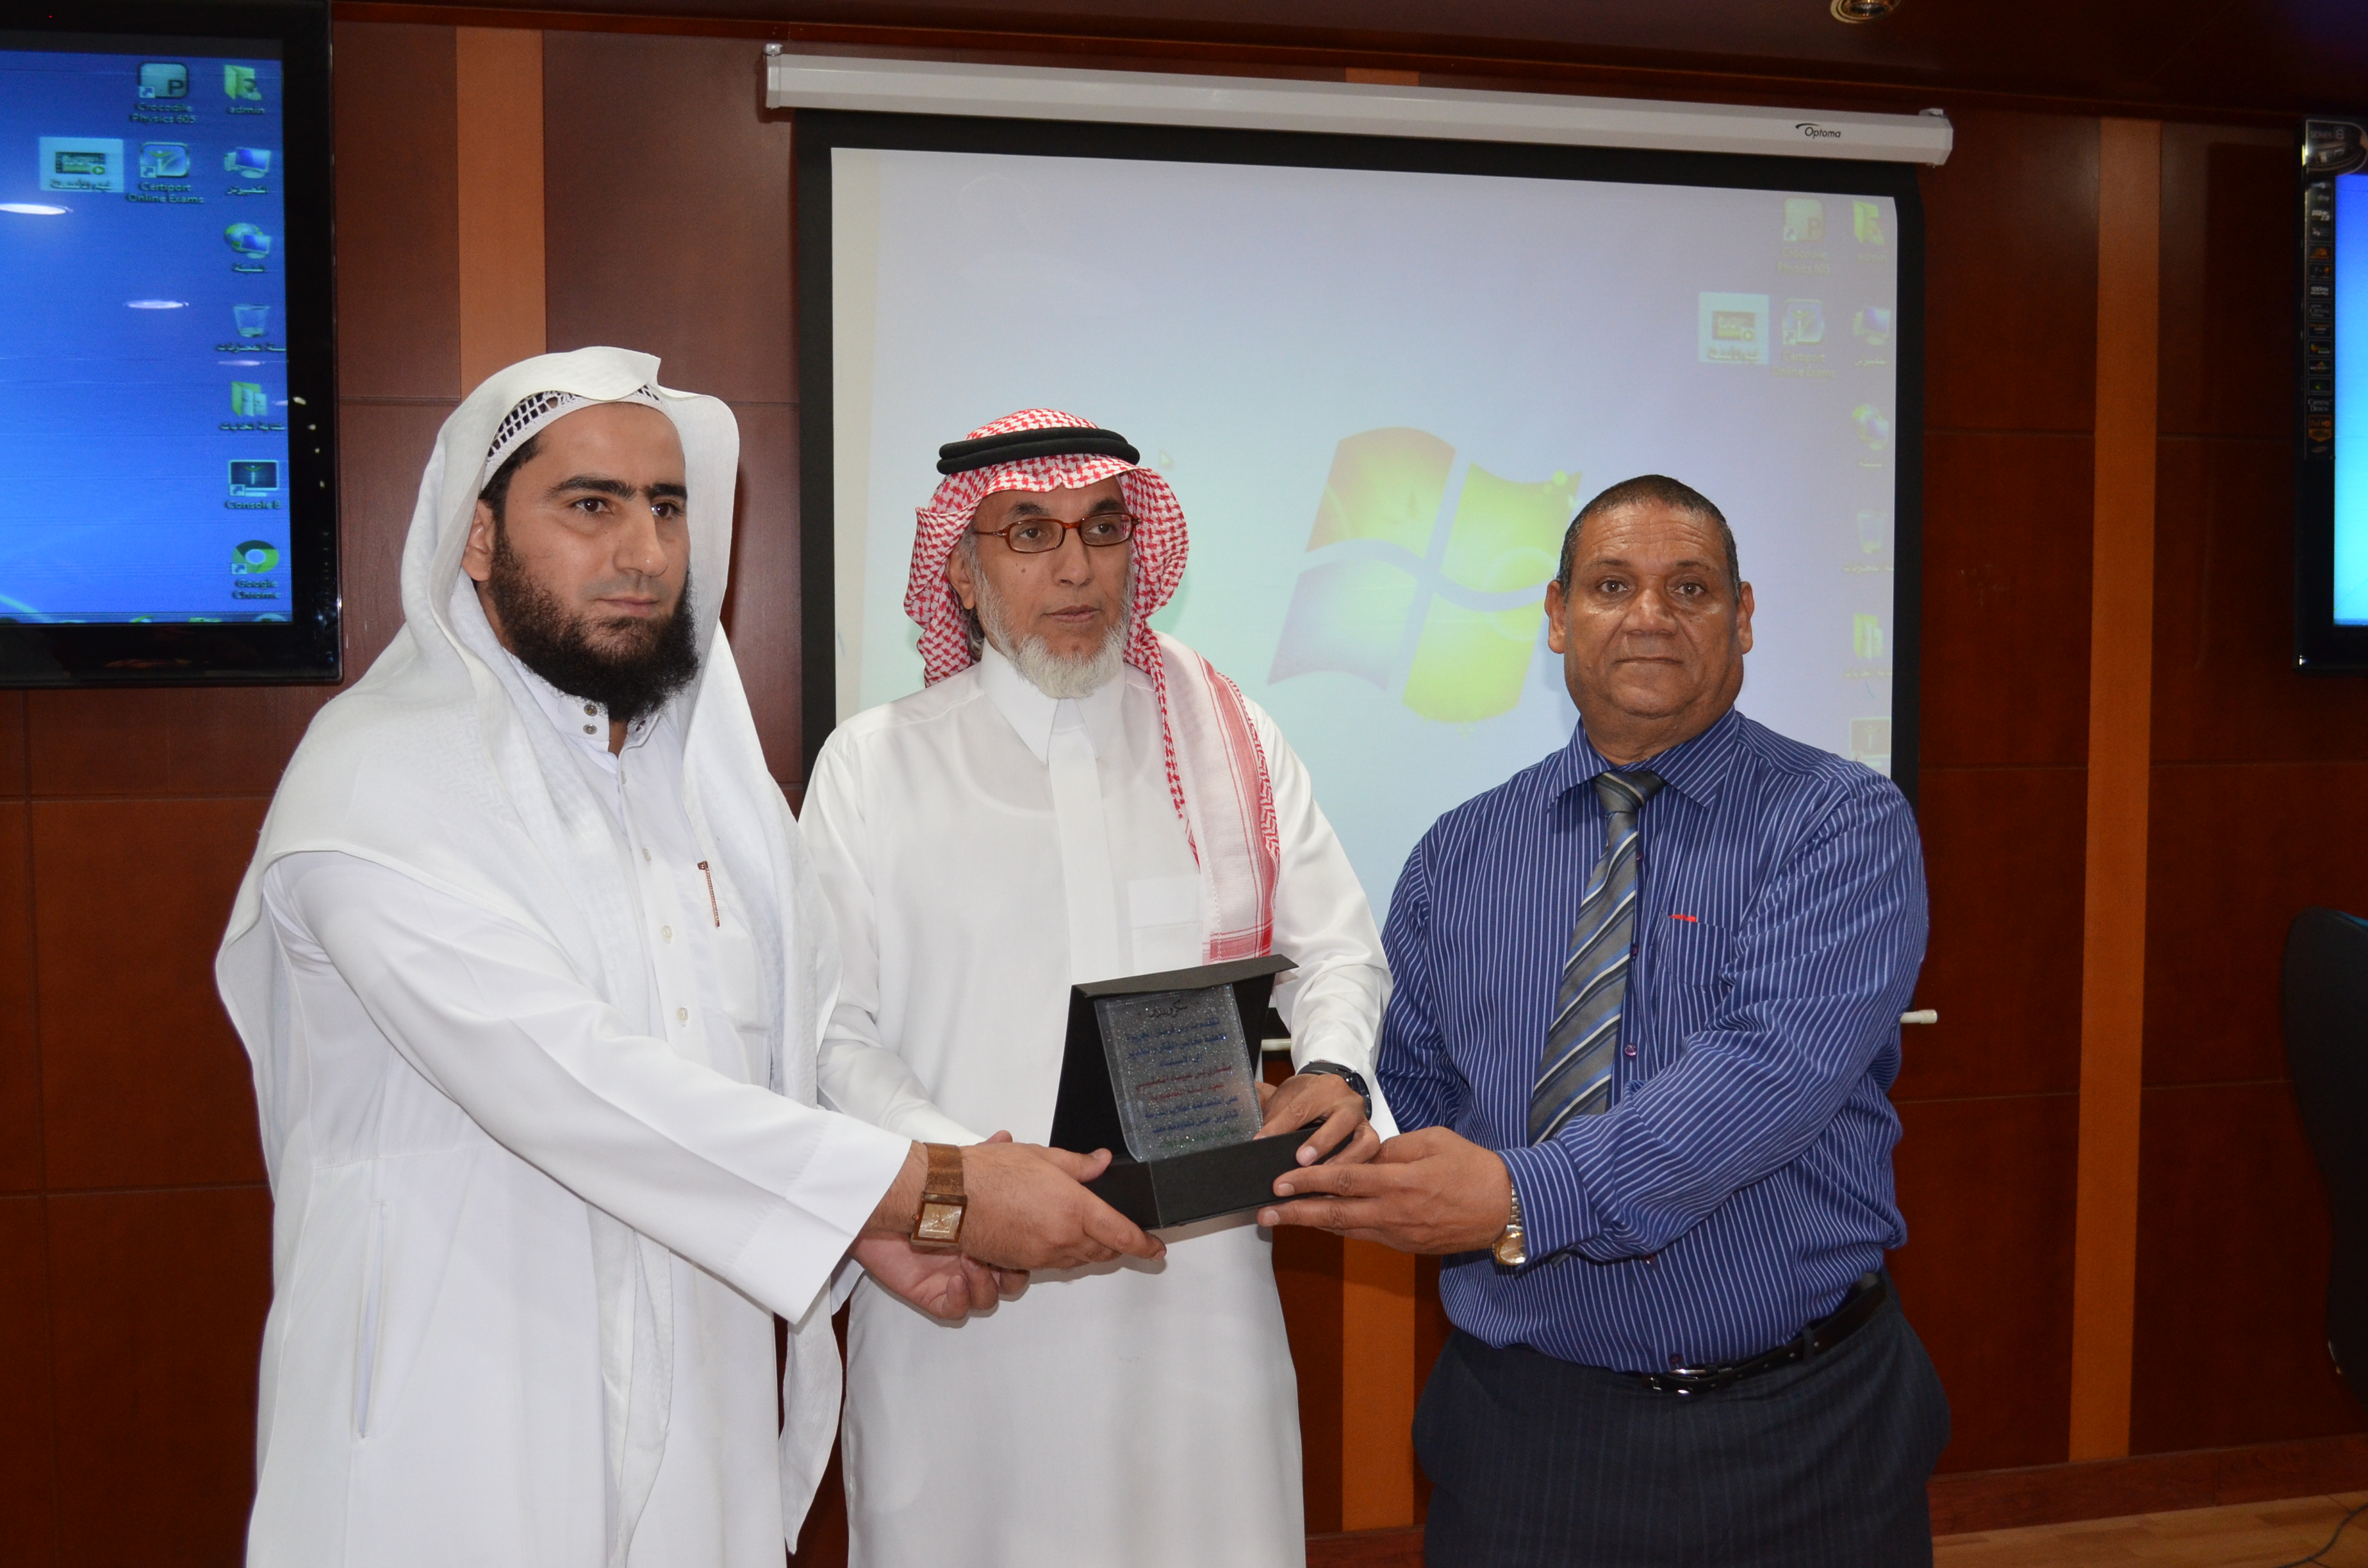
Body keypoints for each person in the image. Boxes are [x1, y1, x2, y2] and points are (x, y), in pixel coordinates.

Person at [215, 351, 1161, 1568]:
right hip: (458, 1419)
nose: (646, 552)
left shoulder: (716, 800)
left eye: (668, 507)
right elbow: (577, 1086)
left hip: (695, 1424)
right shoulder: (376, 789)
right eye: (591, 505)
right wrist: (942, 1191)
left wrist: (867, 1231)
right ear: (478, 537)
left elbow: (787, 1059)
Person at [1263, 474, 1948, 1567]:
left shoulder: (1842, 823)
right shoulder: (1461, 852)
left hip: (1801, 1428)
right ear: (1556, 616)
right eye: (1612, 585)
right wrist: (1319, 1133)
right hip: (1524, 1429)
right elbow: (1415, 1090)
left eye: (1692, 588)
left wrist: (1518, 1196)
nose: (1650, 616)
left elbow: (1766, 1073)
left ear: (1744, 617)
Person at [799, 408, 1392, 1567]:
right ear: (961, 572)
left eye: (1103, 528)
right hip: (967, 1295)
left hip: (1202, 1304)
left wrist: (1331, 1067)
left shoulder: (1229, 738)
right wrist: (975, 1178)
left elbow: (1339, 951)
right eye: (1031, 532)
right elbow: (831, 1035)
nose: (1075, 566)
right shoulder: (874, 765)